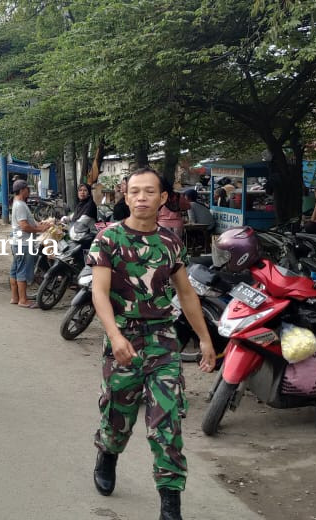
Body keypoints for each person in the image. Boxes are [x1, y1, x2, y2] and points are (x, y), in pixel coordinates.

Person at [86, 168, 216, 520]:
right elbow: (98, 292)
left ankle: (170, 501)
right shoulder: (108, 239)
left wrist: (205, 339)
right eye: (135, 191)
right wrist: (114, 336)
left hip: (162, 341)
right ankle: (108, 453)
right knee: (118, 415)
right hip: (123, 338)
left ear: (162, 199)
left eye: (149, 192)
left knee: (167, 421)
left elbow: (186, 294)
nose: (141, 197)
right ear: (126, 197)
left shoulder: (171, 242)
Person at [10, 179, 52, 308]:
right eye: (27, 189)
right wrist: (40, 229)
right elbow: (24, 226)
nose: (29, 191)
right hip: (24, 243)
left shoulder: (17, 203)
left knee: (15, 270)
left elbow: (27, 223)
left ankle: (15, 297)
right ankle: (23, 300)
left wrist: (39, 224)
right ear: (22, 190)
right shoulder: (21, 205)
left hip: (18, 242)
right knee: (22, 270)